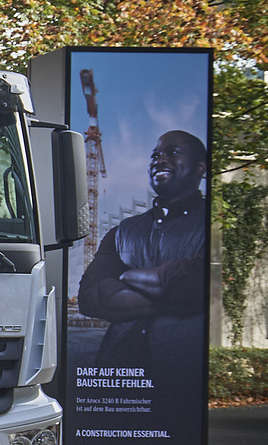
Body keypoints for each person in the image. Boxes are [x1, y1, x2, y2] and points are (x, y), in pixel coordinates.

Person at [75, 129, 208, 390]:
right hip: (117, 375)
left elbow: (198, 282)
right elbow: (89, 297)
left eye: (172, 153)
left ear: (200, 168)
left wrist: (126, 278)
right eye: (155, 155)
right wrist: (172, 296)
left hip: (181, 373)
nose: (159, 160)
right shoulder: (124, 231)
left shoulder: (209, 224)